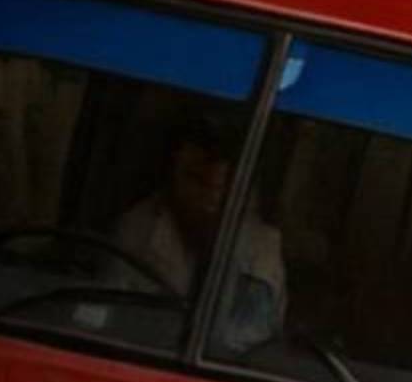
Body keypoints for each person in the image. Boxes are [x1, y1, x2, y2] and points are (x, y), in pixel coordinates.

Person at [112, 111, 288, 354]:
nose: (209, 198)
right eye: (196, 179)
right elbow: (110, 326)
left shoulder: (262, 247)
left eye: (222, 185)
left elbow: (254, 342)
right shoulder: (136, 231)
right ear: (172, 175)